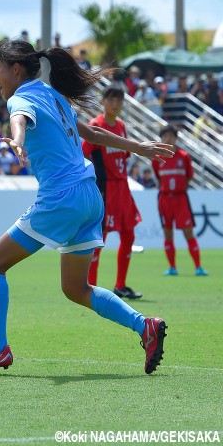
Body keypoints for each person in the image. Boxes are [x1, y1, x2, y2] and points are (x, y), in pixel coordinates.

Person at [0, 39, 173, 375]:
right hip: (90, 197)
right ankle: (144, 326)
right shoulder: (53, 95)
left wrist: (17, 139)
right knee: (75, 288)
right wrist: (139, 147)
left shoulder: (22, 97)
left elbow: (20, 118)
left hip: (62, 199)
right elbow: (93, 133)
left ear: (15, 69)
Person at [82, 86, 144, 300]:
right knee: (99, 238)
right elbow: (84, 154)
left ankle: (120, 285)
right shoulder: (95, 126)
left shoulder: (121, 127)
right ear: (103, 101)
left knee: (129, 234)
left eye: (119, 100)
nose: (115, 104)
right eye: (111, 99)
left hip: (122, 188)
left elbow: (123, 158)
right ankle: (90, 287)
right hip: (105, 189)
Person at [152, 126, 208, 277]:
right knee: (168, 233)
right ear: (161, 138)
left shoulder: (184, 157)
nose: (169, 139)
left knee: (188, 232)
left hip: (181, 199)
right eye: (165, 136)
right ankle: (172, 268)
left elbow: (189, 176)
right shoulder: (157, 158)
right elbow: (159, 178)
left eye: (171, 136)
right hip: (164, 199)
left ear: (176, 139)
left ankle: (198, 267)